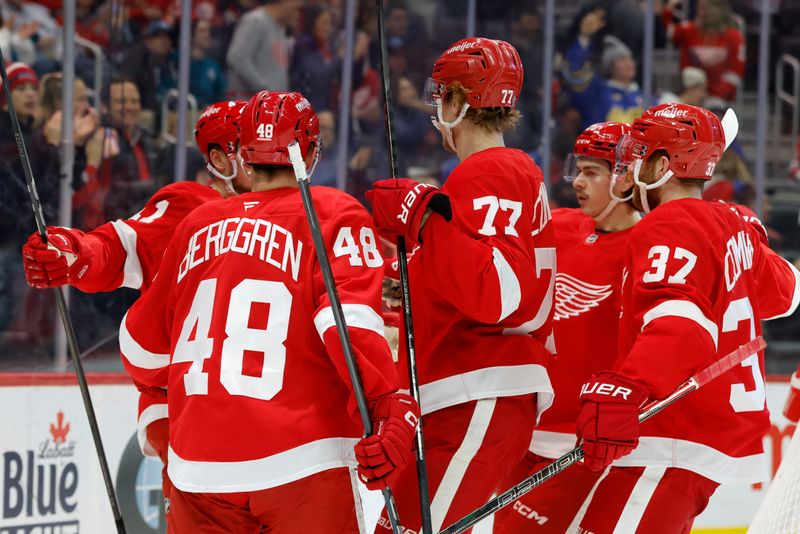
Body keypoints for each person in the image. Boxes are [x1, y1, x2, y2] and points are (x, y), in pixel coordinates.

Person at [119, 90, 418, 532]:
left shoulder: (197, 225)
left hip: (198, 470)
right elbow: (346, 325)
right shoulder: (331, 212)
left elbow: (142, 349)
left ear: (242, 153)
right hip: (301, 460)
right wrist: (388, 404)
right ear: (312, 151)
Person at [574, 103, 800, 532]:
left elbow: (684, 325)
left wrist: (628, 387)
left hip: (672, 431)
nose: (627, 167)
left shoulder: (669, 223)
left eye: (637, 155)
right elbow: (787, 295)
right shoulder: (730, 225)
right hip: (707, 442)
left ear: (662, 165)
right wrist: (754, 240)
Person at [21, 99, 250, 514]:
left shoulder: (296, 211)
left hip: (265, 413)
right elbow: (118, 246)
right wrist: (72, 251)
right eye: (247, 146)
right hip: (188, 411)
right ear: (220, 158)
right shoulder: (190, 206)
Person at [366, 37, 556, 533]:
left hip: (479, 388)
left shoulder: (490, 168)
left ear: (457, 101)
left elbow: (495, 291)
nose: (436, 107)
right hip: (471, 393)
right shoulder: (503, 171)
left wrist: (423, 220)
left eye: (440, 96)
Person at [491, 122, 638, 533]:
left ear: (626, 176)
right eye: (578, 168)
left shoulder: (645, 247)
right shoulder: (560, 225)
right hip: (525, 427)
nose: (577, 181)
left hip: (584, 441)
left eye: (593, 172)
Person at [661, 0, 745, 103]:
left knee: (714, 106)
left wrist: (712, 94)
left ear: (717, 10)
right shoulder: (690, 30)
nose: (700, 12)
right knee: (667, 101)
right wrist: (669, 9)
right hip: (689, 93)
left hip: (718, 99)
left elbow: (734, 74)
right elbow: (670, 32)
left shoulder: (733, 36)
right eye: (700, 8)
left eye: (704, 8)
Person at [226, 0, 301, 97]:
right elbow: (237, 59)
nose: (297, 14)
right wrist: (266, 91)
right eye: (296, 8)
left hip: (272, 105)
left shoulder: (280, 27)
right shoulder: (255, 21)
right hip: (251, 105)